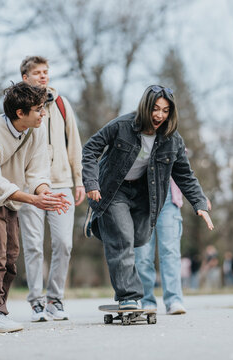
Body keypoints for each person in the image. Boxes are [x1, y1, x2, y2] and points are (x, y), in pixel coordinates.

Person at [82, 85, 214, 310]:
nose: (159, 115)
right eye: (155, 109)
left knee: (139, 238)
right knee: (122, 238)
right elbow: (90, 149)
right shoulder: (122, 125)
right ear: (145, 107)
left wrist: (199, 202)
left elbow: (184, 174)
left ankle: (100, 223)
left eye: (165, 111)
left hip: (144, 194)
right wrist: (91, 183)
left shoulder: (172, 140)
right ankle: (129, 297)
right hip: (114, 190)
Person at [0, 82, 70, 333]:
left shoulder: (36, 131)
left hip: (10, 193)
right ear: (20, 112)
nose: (44, 114)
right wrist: (33, 200)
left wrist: (45, 193)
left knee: (10, 256)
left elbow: (38, 170)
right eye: (39, 109)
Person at [18, 56, 85, 322]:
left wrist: (79, 180)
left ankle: (55, 300)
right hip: (28, 188)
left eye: (46, 72)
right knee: (33, 245)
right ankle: (36, 302)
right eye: (37, 73)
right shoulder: (18, 107)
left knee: (63, 243)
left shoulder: (60, 103)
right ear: (26, 78)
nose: (44, 76)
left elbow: (75, 143)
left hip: (61, 183)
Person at [134, 178, 186, 315]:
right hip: (140, 192)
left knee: (170, 252)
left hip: (168, 193)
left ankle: (174, 299)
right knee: (143, 254)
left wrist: (198, 196)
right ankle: (147, 301)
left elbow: (183, 165)